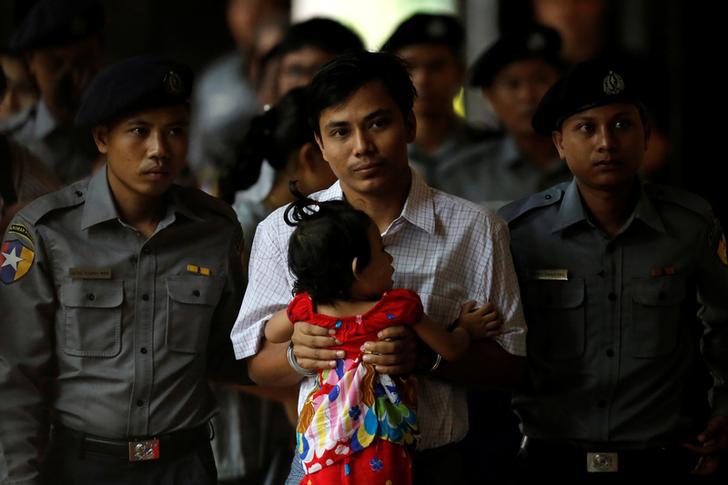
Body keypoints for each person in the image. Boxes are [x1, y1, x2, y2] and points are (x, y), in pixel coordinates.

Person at [230, 50, 527, 485]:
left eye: (377, 123)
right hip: (321, 469)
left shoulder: (476, 229)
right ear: (320, 144)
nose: (362, 147)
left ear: (409, 124)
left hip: (435, 467)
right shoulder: (282, 231)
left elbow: (512, 366)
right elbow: (256, 363)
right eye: (340, 132)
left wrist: (427, 358)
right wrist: (297, 355)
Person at [0, 55, 246, 485]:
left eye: (175, 130)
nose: (159, 149)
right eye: (139, 131)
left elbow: (234, 351)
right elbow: (16, 375)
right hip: (82, 467)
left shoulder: (216, 231)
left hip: (185, 465)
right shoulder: (46, 232)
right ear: (101, 138)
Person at [498, 58, 728, 483]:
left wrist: (724, 409)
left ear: (646, 136)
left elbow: (723, 325)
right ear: (560, 143)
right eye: (586, 128)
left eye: (622, 125)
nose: (606, 142)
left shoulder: (690, 225)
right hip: (550, 461)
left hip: (661, 460)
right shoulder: (520, 233)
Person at [264, 191, 501, 484]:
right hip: (379, 452)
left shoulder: (307, 307)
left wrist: (301, 311)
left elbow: (271, 332)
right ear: (356, 268)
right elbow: (451, 349)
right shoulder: (397, 308)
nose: (390, 258)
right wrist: (467, 328)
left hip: (320, 452)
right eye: (382, 251)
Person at [438, 24, 569, 211]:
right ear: (490, 98)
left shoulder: (596, 163)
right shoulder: (462, 176)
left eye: (540, 80)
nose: (527, 95)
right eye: (513, 85)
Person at [380, 13, 492, 187]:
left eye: (436, 66)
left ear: (460, 72)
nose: (422, 79)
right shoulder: (376, 153)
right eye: (409, 67)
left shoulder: (492, 149)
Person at [3, 0, 105, 184]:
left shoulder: (126, 135)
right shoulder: (11, 144)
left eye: (83, 61)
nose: (73, 75)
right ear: (31, 62)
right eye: (56, 63)